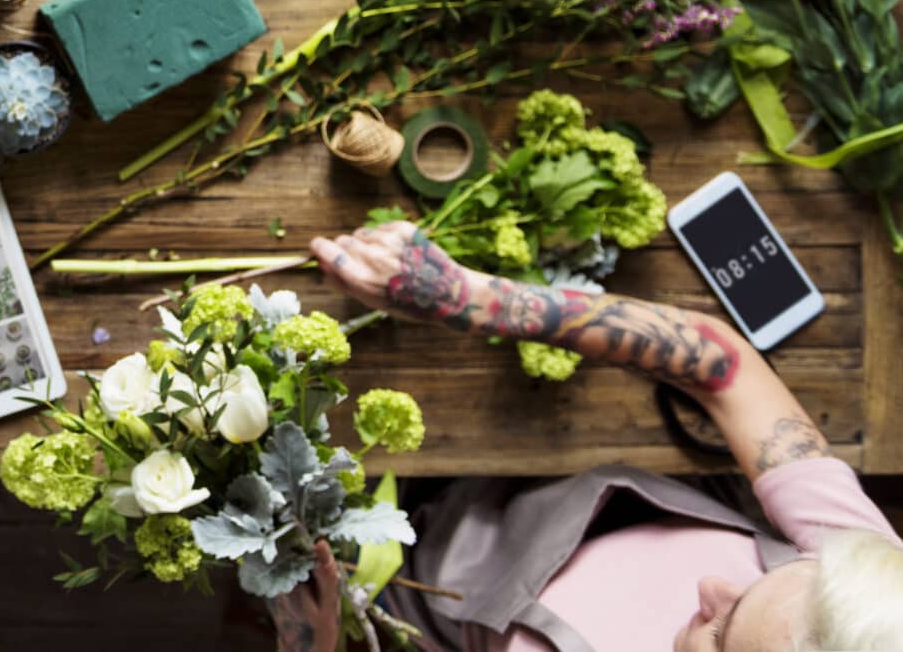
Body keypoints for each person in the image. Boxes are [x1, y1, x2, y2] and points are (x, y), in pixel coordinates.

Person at [268, 219, 903, 652]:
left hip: (408, 580)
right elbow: (725, 371)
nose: (713, 588)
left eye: (721, 633)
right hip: (555, 471)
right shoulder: (869, 601)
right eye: (763, 579)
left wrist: (312, 639)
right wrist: (470, 299)